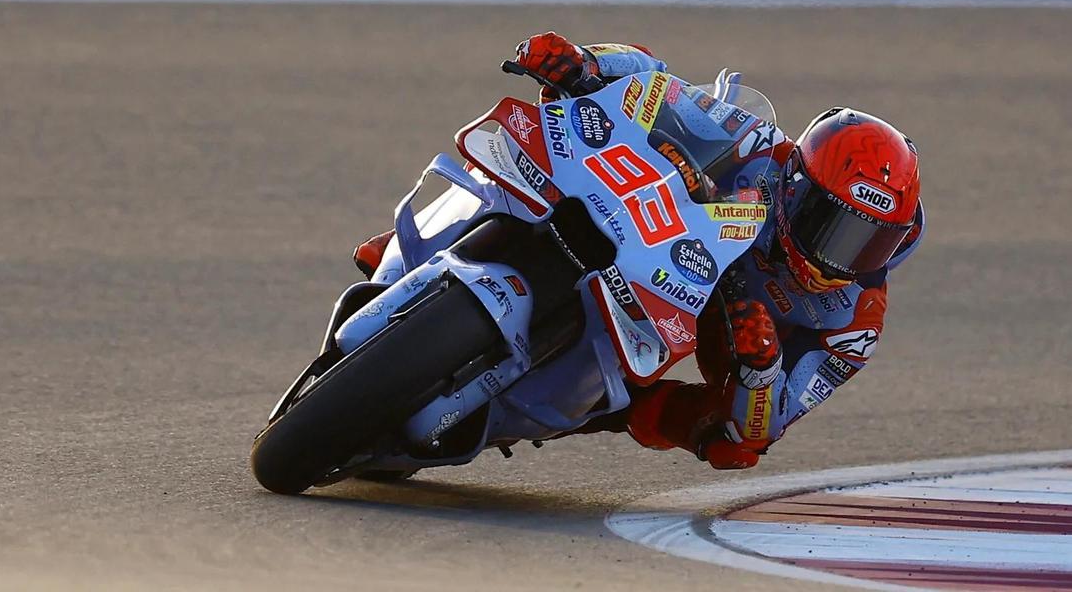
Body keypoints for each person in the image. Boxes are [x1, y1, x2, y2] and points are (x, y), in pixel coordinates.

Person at [354, 32, 924, 470]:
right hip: (661, 248)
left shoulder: (854, 322)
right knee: (539, 152)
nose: (841, 258)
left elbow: (766, 426)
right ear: (797, 186)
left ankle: (565, 406)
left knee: (734, 448)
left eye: (871, 241)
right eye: (834, 227)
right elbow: (654, 80)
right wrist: (584, 63)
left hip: (717, 326)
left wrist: (762, 366)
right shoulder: (757, 147)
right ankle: (429, 245)